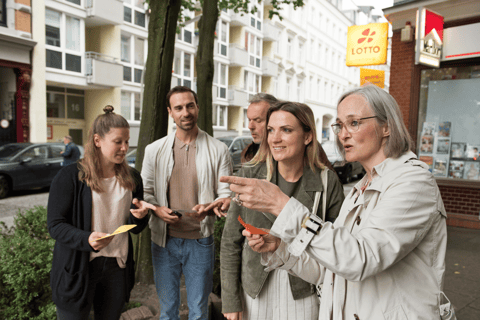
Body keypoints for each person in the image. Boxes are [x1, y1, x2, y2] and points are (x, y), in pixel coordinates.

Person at [221, 85, 448, 319]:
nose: (343, 134)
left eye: (354, 123)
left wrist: (282, 205)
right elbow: (330, 268)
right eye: (339, 125)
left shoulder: (413, 182)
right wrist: (281, 249)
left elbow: (361, 258)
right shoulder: (361, 190)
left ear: (386, 126)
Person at [220, 101, 345, 320]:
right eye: (271, 130)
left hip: (303, 290)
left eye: (286, 130)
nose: (275, 138)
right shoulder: (250, 175)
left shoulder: (327, 181)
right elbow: (230, 242)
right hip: (256, 289)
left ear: (307, 136)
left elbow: (337, 246)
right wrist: (230, 299)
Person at [47, 106, 155, 320]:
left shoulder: (132, 177)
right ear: (97, 140)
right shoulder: (70, 177)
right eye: (118, 142)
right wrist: (86, 238)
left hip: (117, 267)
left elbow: (135, 226)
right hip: (78, 267)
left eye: (127, 141)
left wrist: (139, 217)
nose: (125, 148)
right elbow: (55, 225)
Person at [141, 86, 233, 320]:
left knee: (199, 312)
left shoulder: (219, 149)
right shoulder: (153, 151)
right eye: (179, 107)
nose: (186, 112)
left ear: (197, 107)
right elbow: (146, 193)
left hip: (200, 241)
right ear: (170, 112)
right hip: (163, 241)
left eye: (190, 105)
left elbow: (225, 195)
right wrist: (157, 210)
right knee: (168, 310)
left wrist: (214, 206)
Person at [242, 93, 335, 171]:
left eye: (258, 120)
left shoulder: (308, 148)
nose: (250, 126)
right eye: (249, 120)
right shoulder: (248, 152)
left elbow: (329, 185)